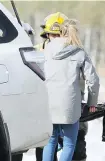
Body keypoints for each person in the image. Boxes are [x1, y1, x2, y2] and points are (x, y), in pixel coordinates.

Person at [42, 19, 100, 161]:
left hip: (48, 101)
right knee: (68, 144)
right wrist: (92, 103)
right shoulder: (79, 51)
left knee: (50, 141)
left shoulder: (46, 49)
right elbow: (93, 80)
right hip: (70, 104)